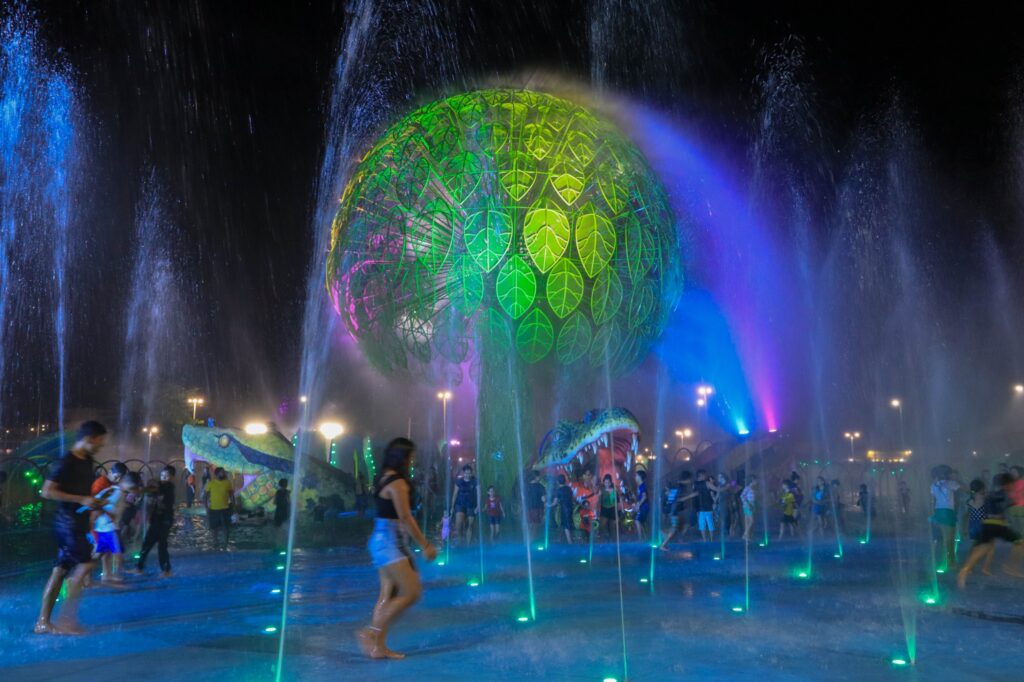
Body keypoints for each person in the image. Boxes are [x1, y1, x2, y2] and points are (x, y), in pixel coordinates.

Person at [357, 438, 436, 659]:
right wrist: (426, 545)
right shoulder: (398, 483)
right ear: (402, 458)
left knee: (387, 594)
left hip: (381, 540)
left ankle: (378, 648)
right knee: (412, 593)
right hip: (390, 542)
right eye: (411, 457)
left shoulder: (384, 477)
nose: (413, 461)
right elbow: (406, 517)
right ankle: (371, 632)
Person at [34, 421, 107, 635]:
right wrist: (81, 499)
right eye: (99, 441)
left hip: (78, 522)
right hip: (66, 524)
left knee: (59, 571)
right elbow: (46, 491)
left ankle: (42, 622)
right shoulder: (65, 462)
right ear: (89, 439)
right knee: (86, 564)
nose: (101, 446)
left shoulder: (88, 461)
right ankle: (66, 620)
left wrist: (93, 503)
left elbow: (83, 493)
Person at [958, 474, 1024, 588]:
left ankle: (965, 570)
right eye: (1012, 484)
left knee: (983, 548)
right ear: (1007, 484)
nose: (1013, 487)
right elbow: (1010, 504)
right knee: (1020, 542)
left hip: (987, 525)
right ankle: (1011, 566)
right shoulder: (1003, 494)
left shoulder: (992, 494)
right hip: (997, 525)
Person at [88, 471, 141, 585]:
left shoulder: (114, 490)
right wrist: (108, 514)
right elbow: (97, 504)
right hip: (108, 527)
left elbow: (99, 502)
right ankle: (115, 577)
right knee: (117, 553)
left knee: (103, 553)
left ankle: (105, 576)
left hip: (105, 527)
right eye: (133, 488)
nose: (133, 491)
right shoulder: (117, 493)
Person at [88, 461, 127, 584]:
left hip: (103, 524)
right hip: (97, 524)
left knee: (105, 551)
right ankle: (84, 578)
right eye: (116, 476)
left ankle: (106, 575)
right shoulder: (100, 483)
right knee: (97, 551)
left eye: (120, 478)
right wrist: (111, 514)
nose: (118, 480)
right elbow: (94, 504)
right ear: (110, 472)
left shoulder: (110, 484)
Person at [135, 466, 176, 576]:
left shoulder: (169, 487)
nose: (163, 477)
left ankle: (166, 570)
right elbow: (151, 491)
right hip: (157, 519)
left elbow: (154, 489)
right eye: (162, 475)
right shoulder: (159, 486)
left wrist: (141, 490)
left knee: (161, 545)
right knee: (147, 543)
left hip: (165, 520)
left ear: (172, 477)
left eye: (166, 475)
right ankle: (139, 567)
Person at [930, 466, 960, 571]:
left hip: (938, 512)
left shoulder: (934, 485)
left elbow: (933, 501)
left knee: (943, 539)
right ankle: (949, 562)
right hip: (948, 512)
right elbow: (965, 489)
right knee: (950, 539)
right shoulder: (950, 483)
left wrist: (933, 515)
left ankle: (943, 562)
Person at [660, 471, 697, 549]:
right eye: (690, 479)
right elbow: (677, 499)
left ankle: (668, 535)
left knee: (683, 524)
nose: (690, 481)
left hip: (672, 508)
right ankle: (663, 544)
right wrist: (691, 496)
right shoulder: (680, 487)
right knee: (674, 528)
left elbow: (671, 496)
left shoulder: (676, 484)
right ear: (687, 479)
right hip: (673, 509)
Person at [205, 467, 234, 551]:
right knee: (214, 528)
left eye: (224, 472)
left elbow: (231, 496)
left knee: (226, 528)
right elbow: (206, 496)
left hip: (225, 509)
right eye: (222, 472)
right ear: (217, 474)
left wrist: (233, 507)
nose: (223, 474)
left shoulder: (228, 483)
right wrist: (206, 507)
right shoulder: (210, 483)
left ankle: (225, 545)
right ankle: (215, 544)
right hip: (214, 509)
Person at [451, 464, 477, 545]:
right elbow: (455, 494)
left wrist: (478, 506)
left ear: (471, 473)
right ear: (463, 473)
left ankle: (468, 545)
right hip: (460, 504)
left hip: (471, 505)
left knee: (470, 525)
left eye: (469, 473)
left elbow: (478, 494)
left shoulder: (474, 481)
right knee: (458, 525)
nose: (467, 475)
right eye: (466, 473)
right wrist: (452, 507)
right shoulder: (459, 481)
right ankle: (459, 542)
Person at [548, 474, 575, 544]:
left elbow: (554, 503)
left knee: (566, 525)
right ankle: (559, 538)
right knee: (564, 524)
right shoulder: (569, 488)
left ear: (557, 481)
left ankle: (570, 542)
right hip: (570, 508)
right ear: (565, 481)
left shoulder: (559, 490)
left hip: (564, 509)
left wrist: (548, 505)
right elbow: (572, 498)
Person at [693, 470, 717, 542]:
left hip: (702, 507)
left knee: (703, 524)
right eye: (705, 475)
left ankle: (705, 540)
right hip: (706, 507)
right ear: (702, 475)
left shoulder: (695, 484)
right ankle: (710, 540)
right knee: (709, 523)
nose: (706, 476)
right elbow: (714, 496)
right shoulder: (706, 484)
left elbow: (695, 496)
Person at [271, 478, 290, 553]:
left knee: (278, 530)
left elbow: (275, 502)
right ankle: (283, 546)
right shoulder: (287, 492)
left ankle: (278, 545)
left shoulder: (278, 492)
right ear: (286, 485)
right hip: (284, 512)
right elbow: (288, 501)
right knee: (283, 529)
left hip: (279, 511)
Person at [526, 470, 547, 536]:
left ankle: (529, 538)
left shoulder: (526, 486)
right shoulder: (540, 486)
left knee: (530, 524)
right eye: (539, 476)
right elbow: (544, 499)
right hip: (537, 509)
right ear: (536, 477)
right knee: (536, 524)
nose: (540, 477)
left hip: (528, 508)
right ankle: (533, 538)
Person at [634, 469, 649, 541]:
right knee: (641, 523)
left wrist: (638, 505)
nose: (635, 477)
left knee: (637, 521)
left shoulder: (642, 486)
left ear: (640, 477)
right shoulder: (640, 486)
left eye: (636, 475)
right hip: (643, 507)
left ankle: (640, 539)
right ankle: (645, 539)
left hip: (644, 507)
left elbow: (644, 496)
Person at [741, 475, 757, 541]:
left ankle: (747, 536)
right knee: (751, 521)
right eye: (755, 480)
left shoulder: (751, 488)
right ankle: (745, 534)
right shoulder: (747, 488)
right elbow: (742, 496)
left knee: (747, 521)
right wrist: (748, 504)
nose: (756, 482)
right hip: (747, 506)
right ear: (752, 481)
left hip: (750, 505)